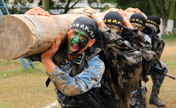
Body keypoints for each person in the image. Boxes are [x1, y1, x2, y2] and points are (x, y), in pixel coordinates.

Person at [25, 7, 107, 108]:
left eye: (83, 37)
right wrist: (27, 18)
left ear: (91, 42)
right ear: (68, 32)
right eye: (74, 33)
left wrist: (46, 59)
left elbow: (70, 88)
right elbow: (21, 49)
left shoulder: (96, 64)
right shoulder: (58, 54)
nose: (76, 39)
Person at [71, 7, 143, 108]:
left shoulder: (124, 44)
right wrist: (77, 11)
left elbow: (113, 40)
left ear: (121, 30)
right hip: (100, 90)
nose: (109, 30)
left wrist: (101, 23)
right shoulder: (99, 40)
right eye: (107, 26)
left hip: (118, 94)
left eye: (113, 28)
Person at [145, 15, 168, 107]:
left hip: (148, 64)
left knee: (162, 67)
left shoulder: (159, 41)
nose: (149, 27)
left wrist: (151, 39)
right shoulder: (137, 34)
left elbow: (155, 58)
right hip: (135, 64)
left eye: (152, 26)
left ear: (157, 28)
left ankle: (154, 97)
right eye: (147, 25)